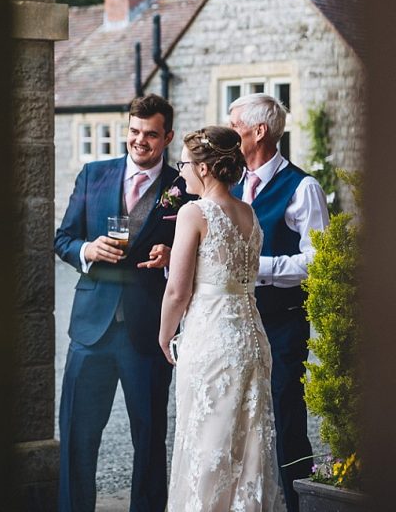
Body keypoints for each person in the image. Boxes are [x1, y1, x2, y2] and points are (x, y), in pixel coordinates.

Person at [54, 93, 187, 512]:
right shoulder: (93, 175)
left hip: (146, 331)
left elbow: (197, 252)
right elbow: (62, 240)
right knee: (78, 436)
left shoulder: (181, 188)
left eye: (150, 134)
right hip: (90, 329)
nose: (139, 141)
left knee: (149, 440)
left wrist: (171, 258)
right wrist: (87, 251)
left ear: (166, 137)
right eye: (133, 131)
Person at [159, 126, 287, 512]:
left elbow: (178, 290)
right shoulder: (248, 212)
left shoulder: (193, 212)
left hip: (211, 339)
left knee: (207, 443)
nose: (180, 172)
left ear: (204, 168)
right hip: (251, 337)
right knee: (247, 450)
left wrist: (165, 336)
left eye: (183, 163)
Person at [228, 93, 330, 512]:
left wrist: (258, 266)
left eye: (234, 126)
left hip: (283, 324)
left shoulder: (302, 187)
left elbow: (317, 260)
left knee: (286, 421)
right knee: (238, 422)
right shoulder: (228, 182)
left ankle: (296, 505)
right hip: (235, 322)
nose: (229, 133)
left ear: (259, 131)